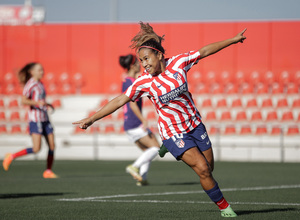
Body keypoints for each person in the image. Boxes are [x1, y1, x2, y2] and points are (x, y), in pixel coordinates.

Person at [73, 22, 246, 217]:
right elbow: (121, 99)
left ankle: (166, 147)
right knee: (203, 170)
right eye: (141, 60)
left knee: (210, 167)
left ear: (159, 55)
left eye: (146, 58)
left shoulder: (179, 63)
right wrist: (93, 118)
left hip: (195, 124)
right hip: (172, 131)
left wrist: (232, 40)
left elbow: (204, 51)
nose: (144, 64)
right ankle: (225, 208)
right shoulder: (144, 82)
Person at [3, 62, 58, 178]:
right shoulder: (31, 84)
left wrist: (47, 104)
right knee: (36, 148)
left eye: (42, 70)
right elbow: (23, 101)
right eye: (39, 70)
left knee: (52, 145)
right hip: (35, 119)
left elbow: (41, 100)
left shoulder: (41, 84)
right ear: (32, 72)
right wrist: (37, 103)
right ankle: (11, 156)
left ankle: (48, 171)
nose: (41, 72)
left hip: (45, 118)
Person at [119, 54, 160, 186]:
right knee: (155, 148)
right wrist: (144, 120)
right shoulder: (131, 82)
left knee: (147, 151)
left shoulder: (126, 81)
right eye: (138, 62)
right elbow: (132, 104)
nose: (140, 64)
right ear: (132, 65)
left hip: (128, 123)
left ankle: (142, 178)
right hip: (135, 122)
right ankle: (134, 167)